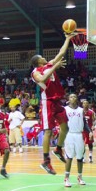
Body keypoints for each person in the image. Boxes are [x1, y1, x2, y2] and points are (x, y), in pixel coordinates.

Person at [30, 33, 73, 175]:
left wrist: (67, 38)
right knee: (47, 131)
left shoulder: (48, 64)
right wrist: (55, 67)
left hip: (56, 101)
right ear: (38, 61)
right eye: (41, 57)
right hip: (47, 101)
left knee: (65, 127)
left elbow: (61, 53)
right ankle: (46, 161)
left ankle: (58, 149)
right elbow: (42, 78)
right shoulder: (35, 71)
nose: (44, 57)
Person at [63, 94, 92, 187]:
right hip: (69, 134)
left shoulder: (81, 110)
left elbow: (84, 123)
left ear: (77, 99)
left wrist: (90, 131)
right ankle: (66, 178)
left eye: (74, 97)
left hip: (79, 135)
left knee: (80, 157)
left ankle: (79, 177)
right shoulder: (65, 109)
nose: (73, 98)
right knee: (69, 157)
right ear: (68, 99)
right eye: (71, 97)